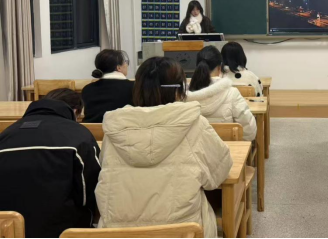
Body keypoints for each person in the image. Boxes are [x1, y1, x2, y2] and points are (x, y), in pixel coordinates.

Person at [95, 57, 232, 238]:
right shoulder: (194, 124)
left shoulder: (116, 127)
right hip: (181, 233)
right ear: (179, 90)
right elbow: (219, 173)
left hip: (117, 234)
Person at [0, 90, 100, 239]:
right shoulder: (79, 135)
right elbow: (91, 193)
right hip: (64, 231)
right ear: (75, 111)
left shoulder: (5, 134)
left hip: (9, 230)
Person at [187, 46, 257, 142]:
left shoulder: (183, 95)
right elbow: (249, 130)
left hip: (194, 149)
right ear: (220, 67)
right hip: (228, 148)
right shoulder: (232, 93)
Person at [82, 49, 134, 123]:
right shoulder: (135, 88)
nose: (126, 65)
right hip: (121, 129)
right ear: (118, 68)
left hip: (89, 129)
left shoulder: (87, 89)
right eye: (125, 62)